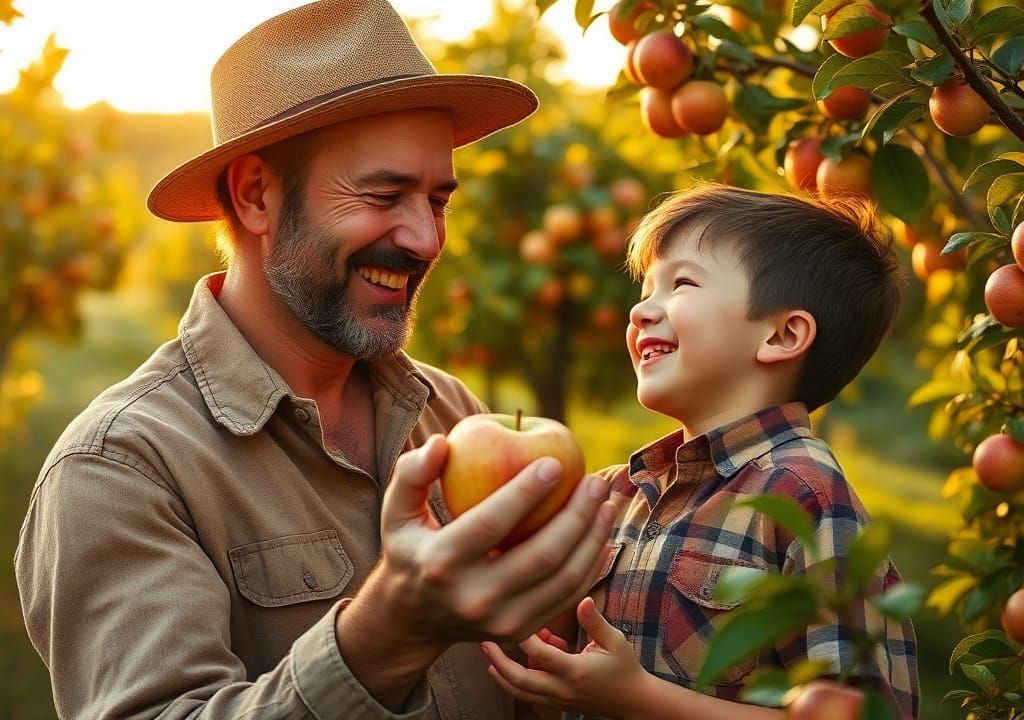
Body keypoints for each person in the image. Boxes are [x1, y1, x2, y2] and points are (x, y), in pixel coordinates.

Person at [14, 2, 615, 718]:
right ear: (256, 195)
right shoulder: (124, 467)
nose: (425, 238)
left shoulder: (452, 415)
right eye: (384, 194)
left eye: (438, 199)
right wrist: (385, 635)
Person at [482, 185, 920, 719]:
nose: (642, 309)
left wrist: (639, 698)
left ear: (782, 335)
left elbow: (859, 713)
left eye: (681, 284)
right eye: (645, 290)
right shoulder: (620, 493)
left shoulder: (805, 496)